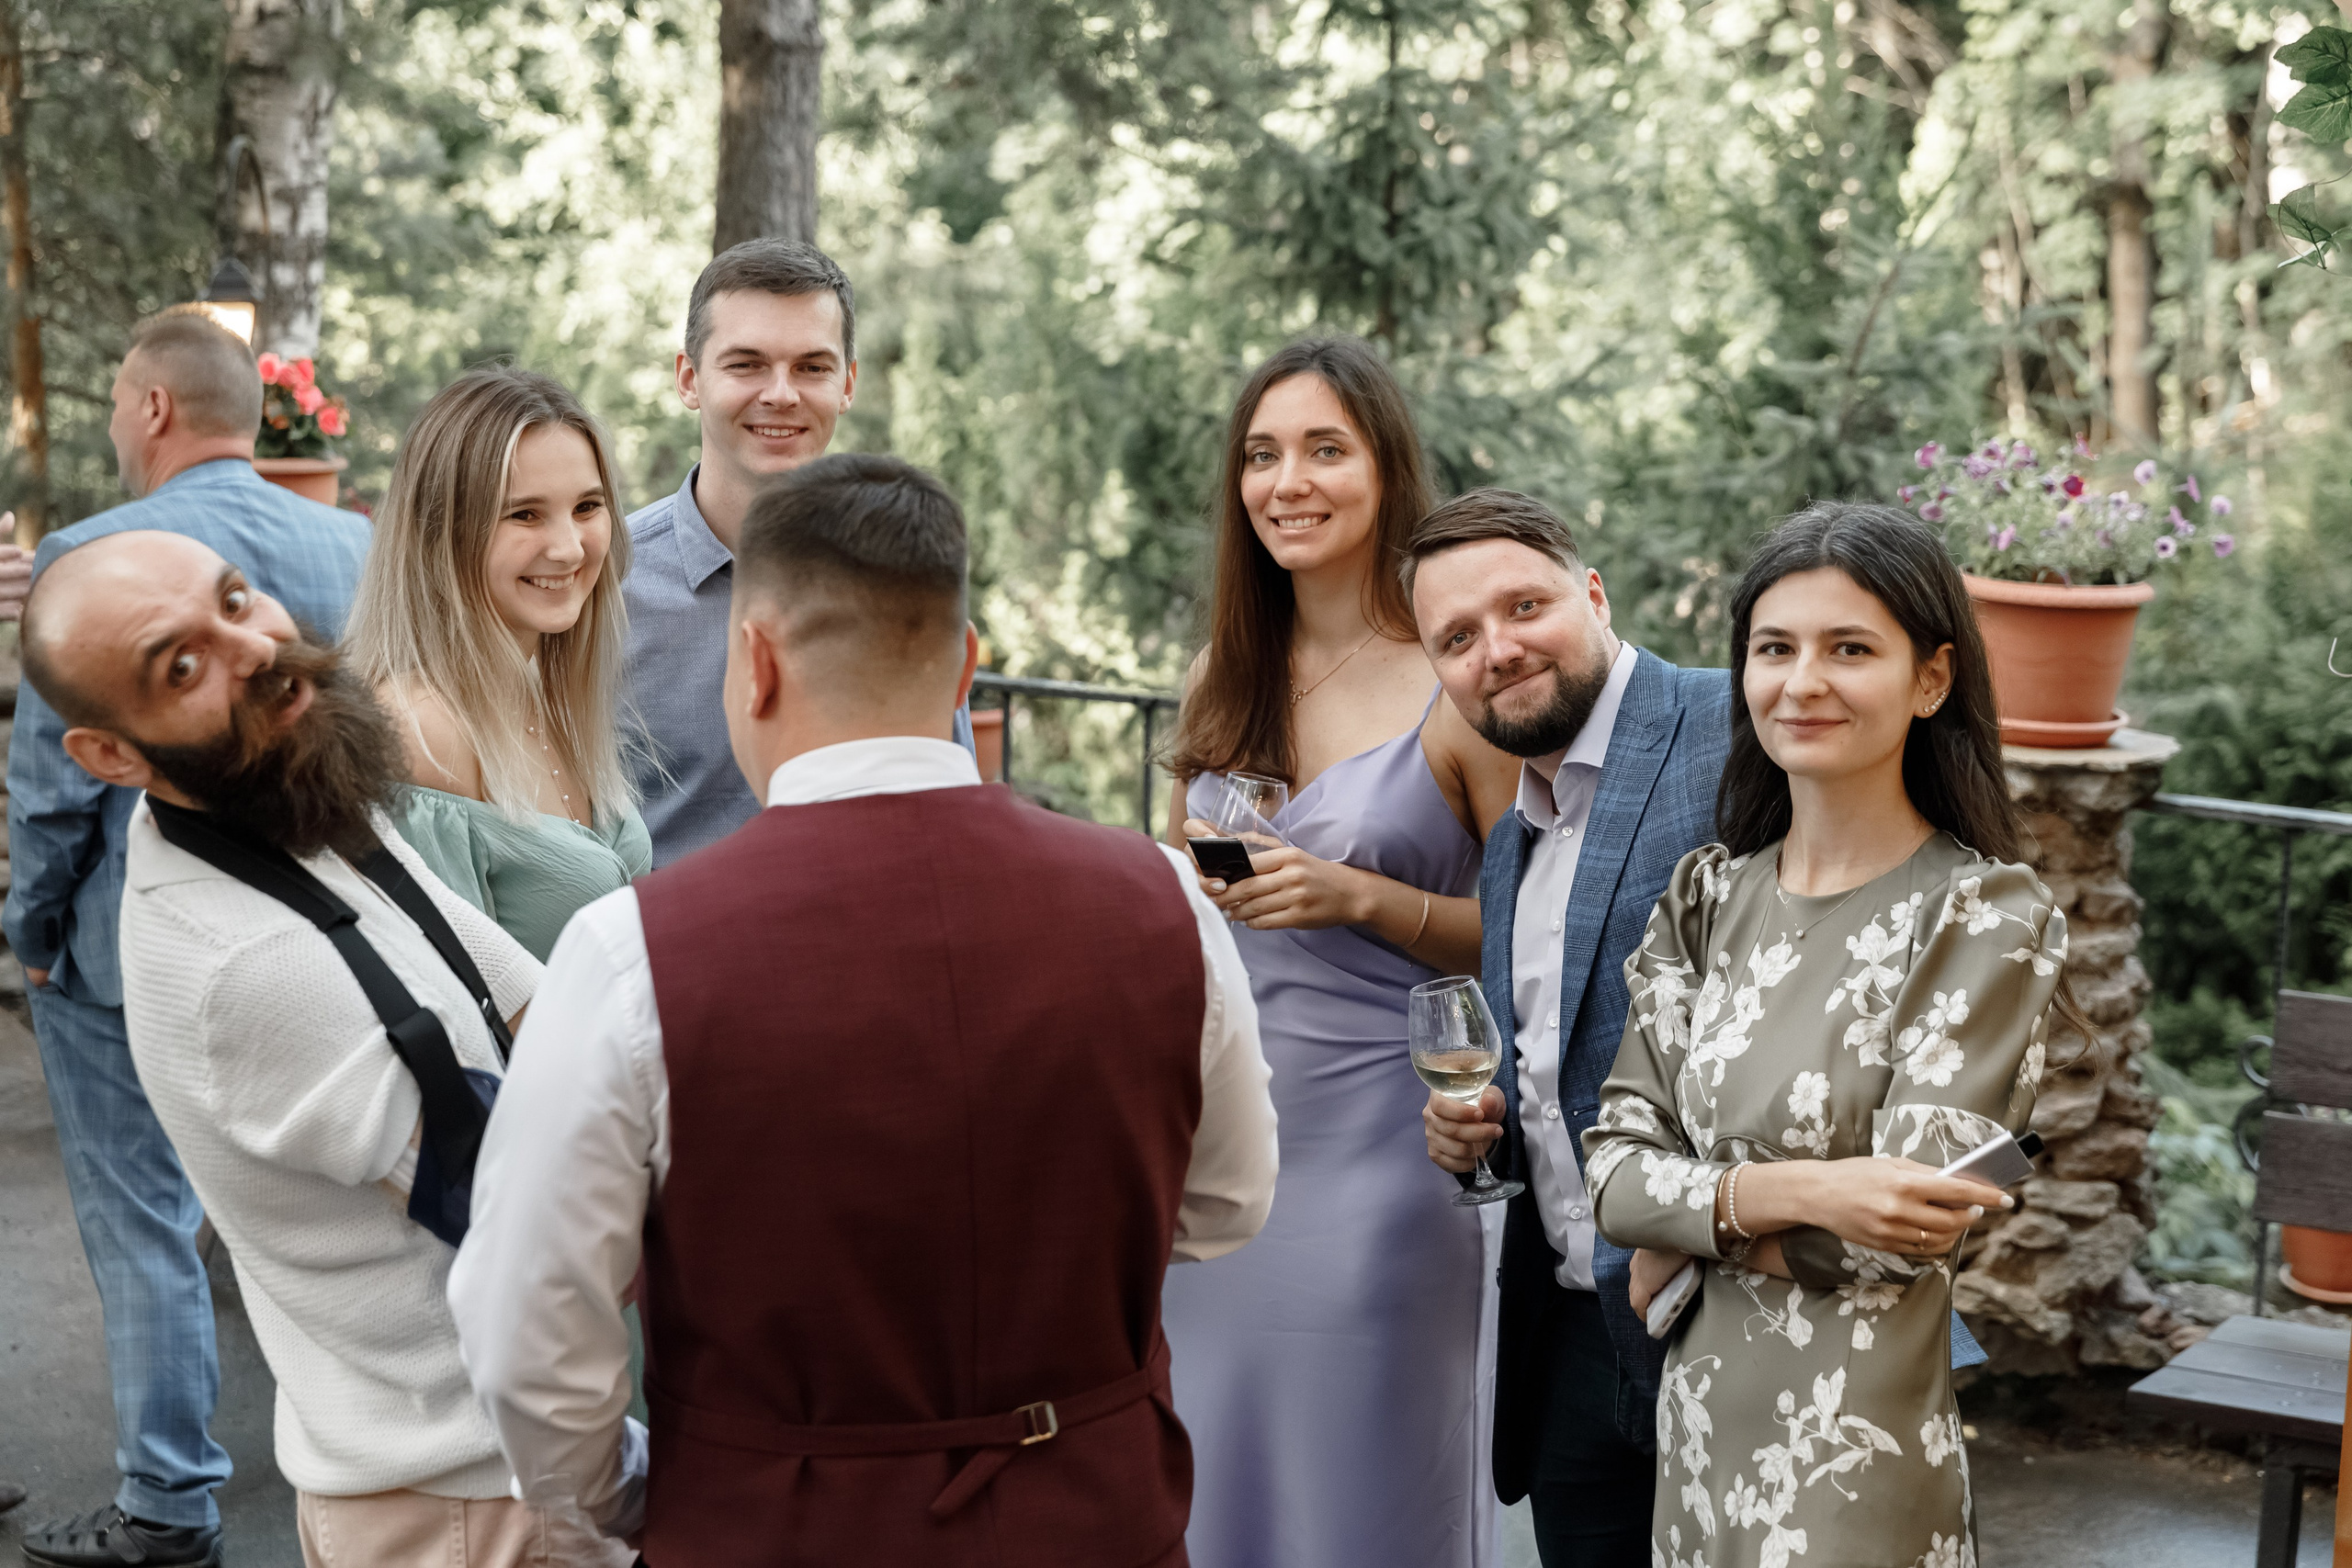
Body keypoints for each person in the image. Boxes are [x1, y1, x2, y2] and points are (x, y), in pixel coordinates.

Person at [449, 453, 1279, 1565]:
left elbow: (527, 1331)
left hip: (766, 1527)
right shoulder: (1163, 902)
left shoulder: (630, 955)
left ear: (754, 660)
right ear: (965, 666)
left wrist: (630, 1495)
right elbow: (1226, 1203)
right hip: (1094, 1519)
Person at [15, 528, 628, 1568]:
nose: (252, 646)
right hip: (467, 1501)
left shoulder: (292, 794)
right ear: (110, 756)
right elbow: (540, 1217)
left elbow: (529, 997)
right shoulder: (244, 967)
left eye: (238, 598)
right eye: (182, 663)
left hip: (504, 1459)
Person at [1577, 502, 2067, 1568]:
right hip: (1698, 1440)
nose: (1802, 682)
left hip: (1856, 1462)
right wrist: (1799, 1191)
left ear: (1930, 679)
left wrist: (1691, 1219)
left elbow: (1905, 1227)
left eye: (1849, 649)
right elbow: (1611, 1177)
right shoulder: (1703, 898)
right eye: (1773, 648)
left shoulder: (1986, 918)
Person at [3, 312, 368, 1568]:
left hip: (126, 949)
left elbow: (55, 790)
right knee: (344, 1204)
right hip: (332, 929)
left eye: (115, 402)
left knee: (141, 1216)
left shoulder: (93, 556)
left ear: (153, 408)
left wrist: (33, 934)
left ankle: (168, 1502)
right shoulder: (353, 542)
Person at [1160, 337, 1520, 1568]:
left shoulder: (1458, 679)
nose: (1286, 481)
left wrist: (1362, 894)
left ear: (1385, 469)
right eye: (1261, 454)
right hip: (1224, 1151)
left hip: (1393, 1150)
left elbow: (1541, 936)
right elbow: (1182, 914)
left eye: (1324, 448)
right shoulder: (1222, 676)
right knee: (1218, 1476)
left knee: (1365, 1492)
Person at [1410, 490, 1732, 1567]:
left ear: (1591, 594)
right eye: (1456, 639)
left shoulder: (1734, 727)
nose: (1494, 651)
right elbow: (1558, 1075)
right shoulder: (1510, 844)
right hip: (1567, 1346)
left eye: (1523, 607)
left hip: (1738, 1329)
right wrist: (1483, 1136)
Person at [624, 237, 971, 865]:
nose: (781, 393)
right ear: (688, 379)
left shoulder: (904, 572)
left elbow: (948, 800)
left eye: (812, 367)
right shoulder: (604, 587)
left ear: (848, 383)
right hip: (669, 955)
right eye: (747, 364)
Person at [346, 366, 650, 961]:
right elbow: (453, 1010)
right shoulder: (423, 731)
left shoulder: (550, 694)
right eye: (525, 514)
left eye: (587, 506)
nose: (569, 547)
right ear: (442, 532)